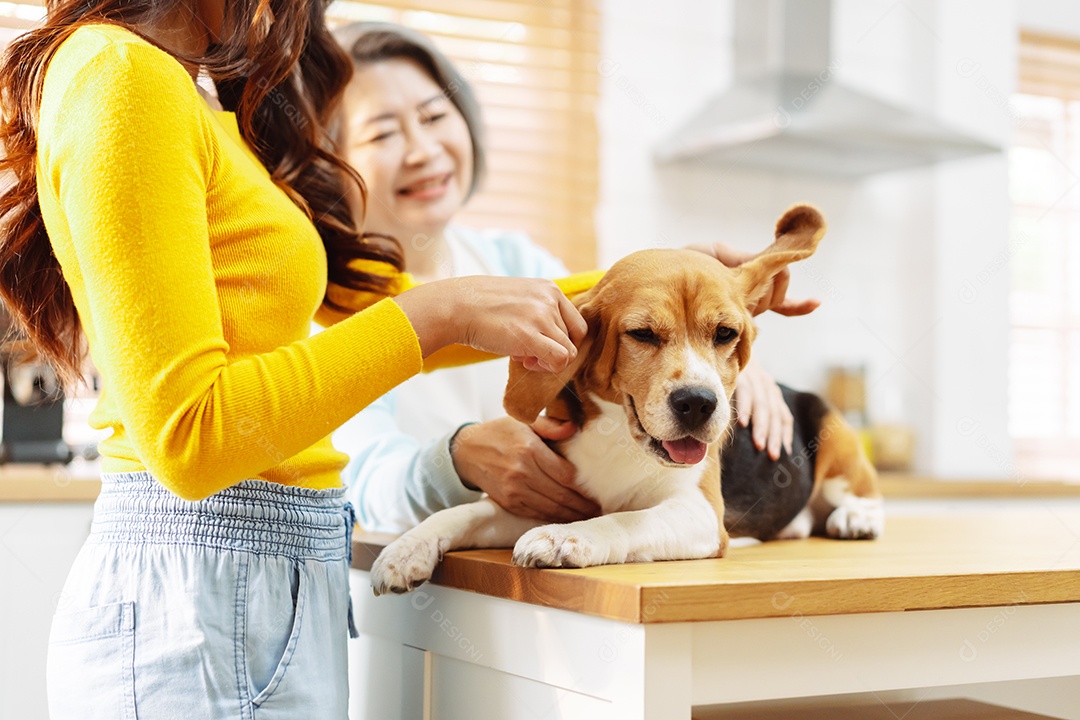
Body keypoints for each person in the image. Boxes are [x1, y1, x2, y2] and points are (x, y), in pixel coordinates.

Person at [0, 3, 593, 717]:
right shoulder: (122, 76)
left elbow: (387, 310)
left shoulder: (194, 94)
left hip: (258, 590)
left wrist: (659, 281)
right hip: (204, 602)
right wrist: (438, 315)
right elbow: (192, 435)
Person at [329, 22, 819, 535]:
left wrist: (725, 359)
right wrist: (455, 461)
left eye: (434, 116)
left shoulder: (516, 258)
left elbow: (621, 329)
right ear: (328, 160)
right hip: (422, 575)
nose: (422, 150)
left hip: (546, 560)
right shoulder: (331, 305)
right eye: (382, 132)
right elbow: (355, 481)